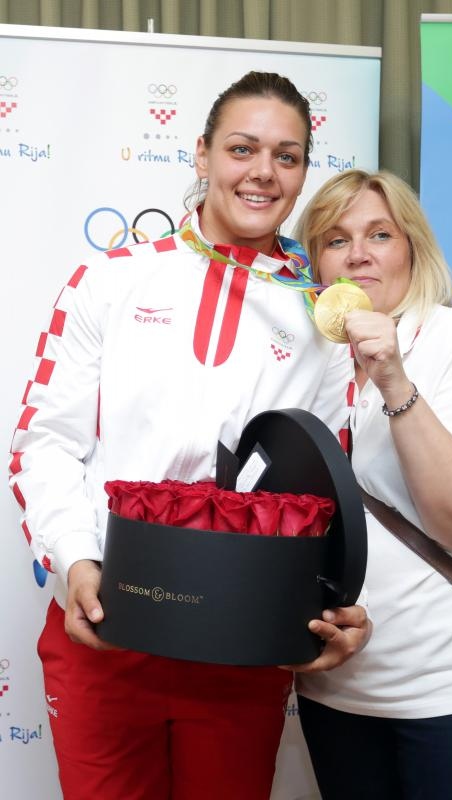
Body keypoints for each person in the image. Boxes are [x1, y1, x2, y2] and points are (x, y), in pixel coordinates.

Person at [8, 73, 370, 800]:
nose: (263, 171)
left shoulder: (322, 316)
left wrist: (332, 600)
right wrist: (76, 561)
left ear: (303, 172)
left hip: (241, 638)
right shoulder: (110, 280)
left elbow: (331, 488)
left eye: (286, 156)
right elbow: (45, 443)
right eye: (242, 149)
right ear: (201, 154)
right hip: (108, 623)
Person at [294, 168, 452, 800]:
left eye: (380, 234)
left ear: (412, 250)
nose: (359, 254)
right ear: (315, 261)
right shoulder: (304, 362)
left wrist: (393, 378)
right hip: (336, 689)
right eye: (337, 239)